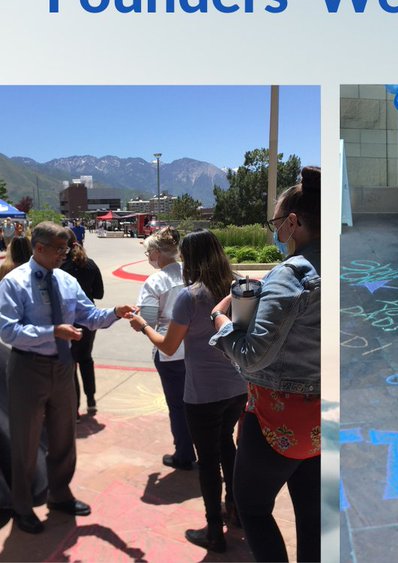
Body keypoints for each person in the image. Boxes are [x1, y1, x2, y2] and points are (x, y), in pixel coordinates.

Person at [212, 166, 321, 562]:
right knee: (312, 515)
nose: (274, 231)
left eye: (276, 222)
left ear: (292, 223)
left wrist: (222, 323)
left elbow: (252, 356)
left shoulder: (292, 274)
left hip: (280, 416)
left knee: (254, 508)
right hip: (325, 418)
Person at [0, 221, 136, 534]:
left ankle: (60, 494)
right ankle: (22, 507)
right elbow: (8, 331)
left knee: (63, 437)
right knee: (26, 441)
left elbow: (88, 316)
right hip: (27, 369)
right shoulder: (14, 283)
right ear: (39, 248)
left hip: (62, 368)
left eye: (68, 248)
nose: (65, 254)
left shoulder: (65, 280)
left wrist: (115, 312)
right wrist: (52, 332)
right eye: (59, 249)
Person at [128, 230, 247, 552]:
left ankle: (213, 531)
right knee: (227, 445)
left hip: (204, 392)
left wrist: (144, 327)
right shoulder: (240, 285)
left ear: (190, 258)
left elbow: (168, 347)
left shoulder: (191, 296)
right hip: (238, 386)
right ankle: (235, 510)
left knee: (208, 461)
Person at [135, 226, 193, 471]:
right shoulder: (192, 273)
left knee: (178, 406)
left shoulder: (155, 282)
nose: (149, 258)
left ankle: (184, 453)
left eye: (149, 253)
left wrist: (139, 322)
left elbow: (147, 319)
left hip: (170, 351)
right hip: (198, 349)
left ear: (158, 253)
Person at [59, 229, 102, 418]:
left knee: (71, 364)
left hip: (68, 320)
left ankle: (74, 408)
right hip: (89, 320)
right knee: (86, 359)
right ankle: (91, 401)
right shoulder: (90, 264)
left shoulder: (60, 268)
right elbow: (99, 294)